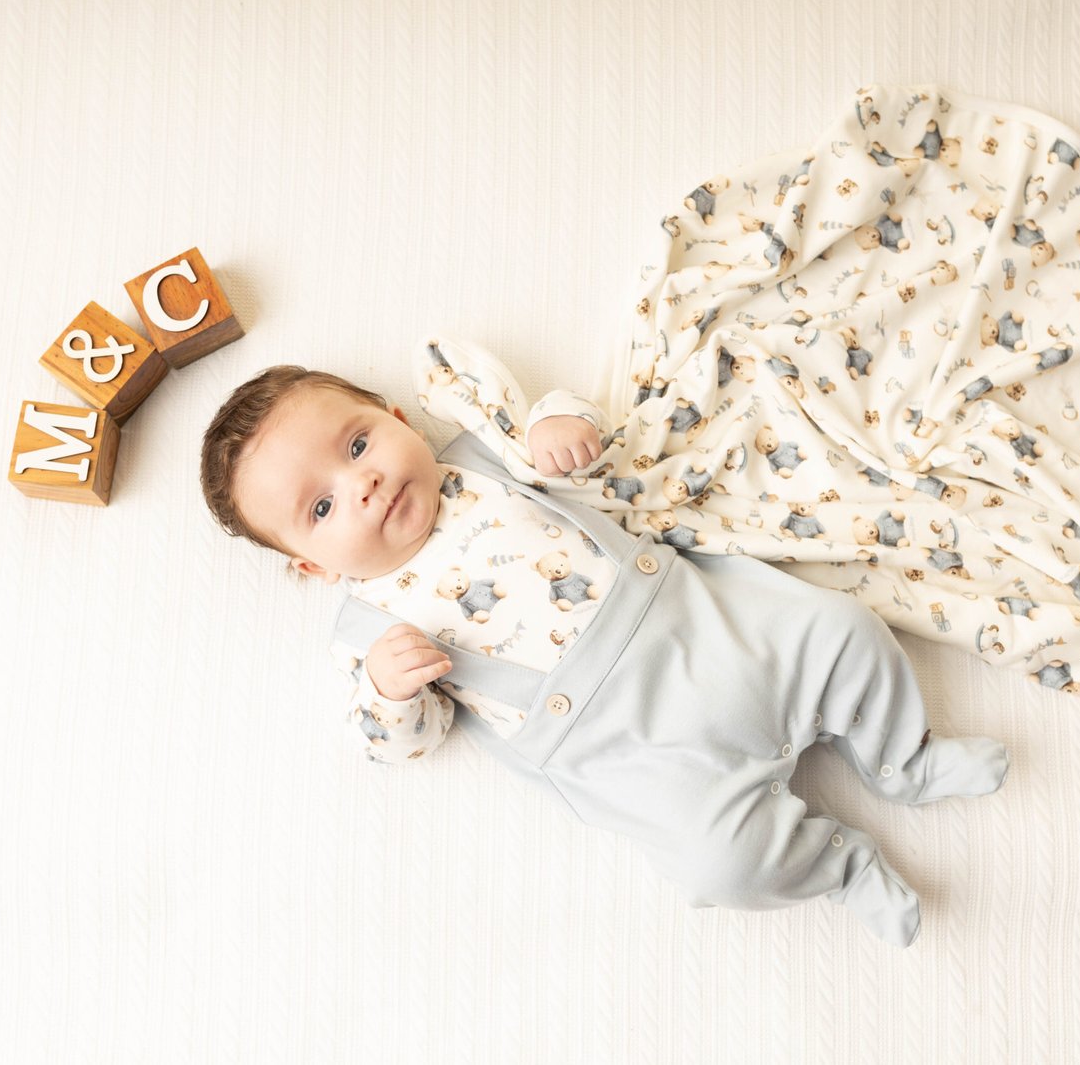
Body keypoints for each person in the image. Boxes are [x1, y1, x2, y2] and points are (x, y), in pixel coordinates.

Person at [198, 339, 1011, 947]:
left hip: (702, 625)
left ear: (399, 419)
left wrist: (562, 425)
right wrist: (388, 692)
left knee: (843, 631)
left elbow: (589, 454)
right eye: (321, 508)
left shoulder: (482, 458)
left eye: (357, 445)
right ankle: (840, 864)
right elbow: (398, 742)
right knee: (717, 864)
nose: (362, 484)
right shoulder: (369, 630)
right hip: (627, 751)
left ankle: (904, 759)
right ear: (313, 567)